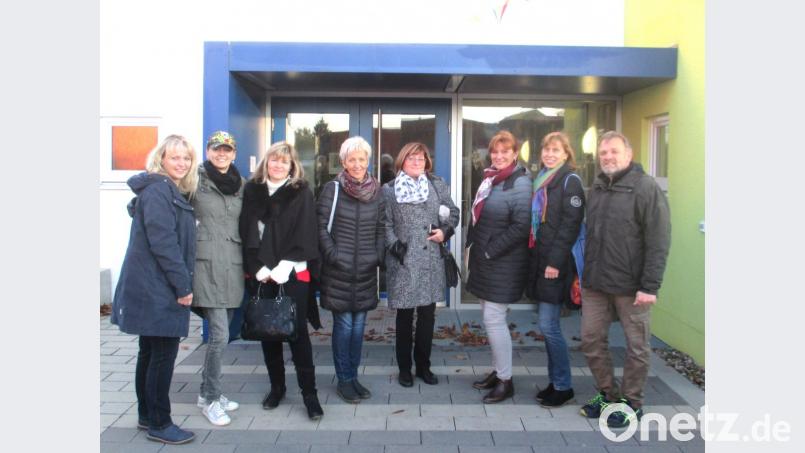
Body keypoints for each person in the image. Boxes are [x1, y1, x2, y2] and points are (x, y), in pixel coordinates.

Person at [578, 131, 671, 428]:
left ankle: (632, 402)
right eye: (603, 153)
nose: (607, 157)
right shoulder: (598, 187)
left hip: (632, 286)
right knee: (591, 340)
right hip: (595, 283)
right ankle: (607, 394)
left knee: (636, 346)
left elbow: (658, 240)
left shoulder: (645, 188)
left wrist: (649, 286)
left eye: (613, 152)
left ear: (628, 155)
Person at [111, 135, 198, 445]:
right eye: (175, 157)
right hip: (159, 289)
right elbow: (165, 245)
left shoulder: (161, 190)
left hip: (151, 288)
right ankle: (160, 423)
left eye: (186, 158)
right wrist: (183, 286)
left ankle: (147, 415)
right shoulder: (160, 191)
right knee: (161, 356)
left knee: (148, 353)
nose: (181, 163)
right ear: (161, 158)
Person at [239, 141, 324, 420]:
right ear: (266, 162)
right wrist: (257, 267)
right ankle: (277, 387)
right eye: (274, 160)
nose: (278, 165)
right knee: (269, 332)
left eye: (284, 162)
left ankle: (309, 394)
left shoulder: (300, 192)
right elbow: (245, 230)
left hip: (293, 273)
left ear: (292, 165)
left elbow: (306, 231)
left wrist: (285, 265)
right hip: (261, 274)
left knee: (296, 334)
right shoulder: (251, 191)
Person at [384, 142, 460, 388]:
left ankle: (424, 366)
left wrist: (444, 232)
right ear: (401, 162)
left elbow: (454, 212)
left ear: (427, 162)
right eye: (411, 158)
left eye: (421, 158)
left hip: (430, 261)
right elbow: (383, 224)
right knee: (405, 317)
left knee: (427, 317)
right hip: (404, 261)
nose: (416, 162)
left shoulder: (437, 185)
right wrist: (396, 246)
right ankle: (404, 368)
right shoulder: (389, 189)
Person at [316, 136, 386, 403]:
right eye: (352, 159)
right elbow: (320, 227)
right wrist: (334, 255)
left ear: (368, 161)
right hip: (339, 270)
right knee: (344, 326)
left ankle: (353, 376)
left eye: (362, 159)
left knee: (359, 328)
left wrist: (377, 255)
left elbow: (381, 227)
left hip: (366, 269)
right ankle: (344, 380)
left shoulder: (377, 191)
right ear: (343, 162)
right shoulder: (332, 189)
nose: (357, 164)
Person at [465, 130, 532, 403]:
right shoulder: (492, 178)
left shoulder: (521, 182)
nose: (500, 156)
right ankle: (497, 371)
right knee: (489, 318)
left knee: (494, 319)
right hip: (487, 260)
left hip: (503, 262)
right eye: (495, 151)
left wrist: (491, 250)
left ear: (515, 153)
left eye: (506, 151)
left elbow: (521, 226)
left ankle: (506, 380)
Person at [525, 131, 585, 407]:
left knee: (549, 326)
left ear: (566, 153)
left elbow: (569, 227)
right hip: (542, 261)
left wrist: (554, 263)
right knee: (547, 326)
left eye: (555, 150)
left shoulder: (569, 181)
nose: (549, 154)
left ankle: (563, 385)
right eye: (546, 149)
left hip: (554, 264)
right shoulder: (543, 180)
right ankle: (555, 382)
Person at [190, 131, 245, 426]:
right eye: (216, 149)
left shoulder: (240, 184)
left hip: (232, 266)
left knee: (225, 333)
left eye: (226, 149)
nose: (221, 154)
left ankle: (207, 391)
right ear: (208, 151)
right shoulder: (194, 180)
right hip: (206, 267)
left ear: (234, 153)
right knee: (220, 335)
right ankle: (210, 398)